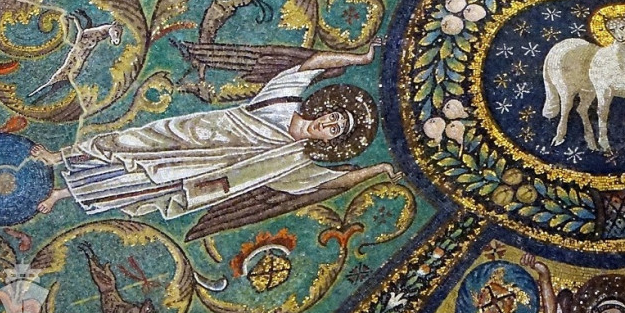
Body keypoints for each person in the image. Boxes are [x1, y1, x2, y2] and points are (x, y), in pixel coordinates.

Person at [30, 44, 397, 229]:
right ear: (326, 109)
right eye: (333, 117)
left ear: (332, 141)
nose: (329, 124)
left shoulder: (297, 160)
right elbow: (312, 63)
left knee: (143, 185)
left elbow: (332, 181)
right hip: (195, 135)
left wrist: (377, 170)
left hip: (205, 172)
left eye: (336, 130)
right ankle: (60, 157)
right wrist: (360, 58)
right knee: (132, 143)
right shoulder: (286, 98)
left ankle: (63, 193)